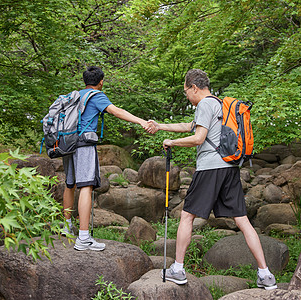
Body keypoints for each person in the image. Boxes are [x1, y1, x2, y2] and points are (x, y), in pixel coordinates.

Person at [147, 69, 277, 289]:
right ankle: (265, 274)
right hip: (229, 168)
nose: (187, 96)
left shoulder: (205, 105)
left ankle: (178, 269)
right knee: (242, 220)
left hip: (210, 168)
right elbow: (190, 127)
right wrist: (160, 127)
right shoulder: (217, 105)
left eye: (186, 91)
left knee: (187, 216)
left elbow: (198, 138)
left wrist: (172, 143)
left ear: (194, 87)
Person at [61, 66, 151, 251]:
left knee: (70, 184)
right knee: (85, 186)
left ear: (84, 80)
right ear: (100, 81)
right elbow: (116, 111)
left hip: (67, 144)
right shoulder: (96, 95)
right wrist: (141, 121)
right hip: (84, 145)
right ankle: (83, 237)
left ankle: (66, 226)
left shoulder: (75, 95)